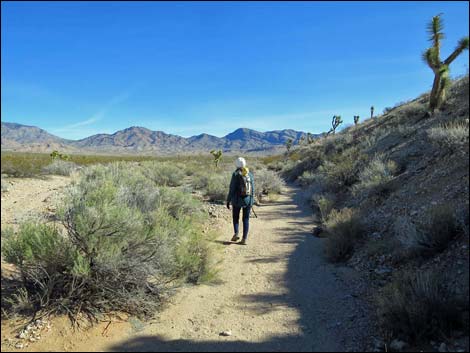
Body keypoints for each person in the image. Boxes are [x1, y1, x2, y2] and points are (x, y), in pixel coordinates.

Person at [226, 157, 255, 245]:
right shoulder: (250, 174)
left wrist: (228, 200)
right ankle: (244, 239)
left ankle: (236, 233)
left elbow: (232, 188)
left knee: (236, 217)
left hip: (237, 200)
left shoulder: (235, 174)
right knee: (246, 219)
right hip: (248, 200)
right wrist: (251, 201)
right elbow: (253, 189)